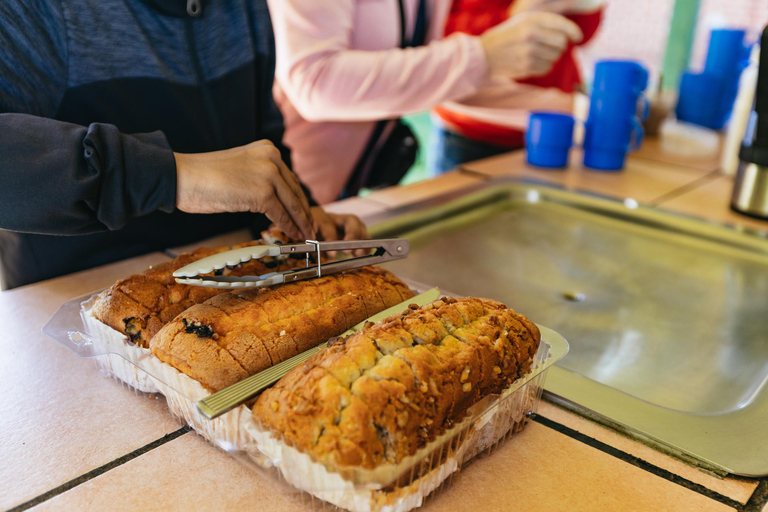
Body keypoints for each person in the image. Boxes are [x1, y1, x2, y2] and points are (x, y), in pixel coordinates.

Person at [0, 0, 366, 290]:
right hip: (79, 309)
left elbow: (257, 138)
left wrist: (298, 209)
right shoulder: (34, 10)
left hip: (232, 289)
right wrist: (171, 175)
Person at [267, 0, 584, 204]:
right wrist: (481, 56)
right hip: (286, 184)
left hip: (342, 194)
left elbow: (435, 77)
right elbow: (316, 84)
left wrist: (573, 109)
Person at [427, 0, 604, 174]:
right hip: (473, 129)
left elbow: (581, 35)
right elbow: (440, 38)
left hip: (553, 123)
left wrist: (584, 6)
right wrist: (511, 16)